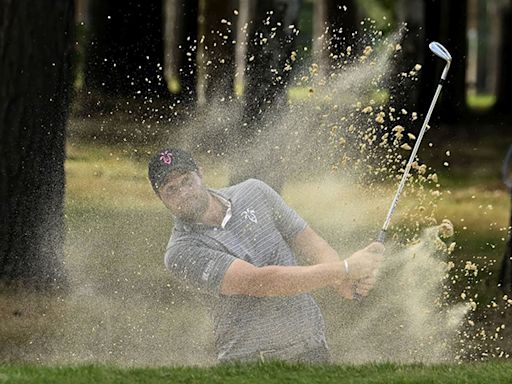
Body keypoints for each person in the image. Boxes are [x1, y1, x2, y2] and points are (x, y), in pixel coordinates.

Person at [148, 147, 384, 363]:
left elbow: (310, 242)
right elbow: (260, 282)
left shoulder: (254, 191)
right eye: (171, 189)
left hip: (312, 349)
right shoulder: (181, 252)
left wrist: (342, 281)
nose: (184, 193)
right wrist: (344, 269)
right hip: (253, 362)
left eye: (187, 180)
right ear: (161, 198)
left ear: (201, 173)